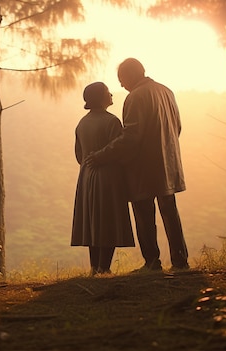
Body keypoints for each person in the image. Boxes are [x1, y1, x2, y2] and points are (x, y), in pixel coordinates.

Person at [85, 58, 189, 271]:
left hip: (144, 167)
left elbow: (131, 137)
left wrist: (101, 155)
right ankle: (180, 260)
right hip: (168, 163)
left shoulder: (136, 97)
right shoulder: (166, 91)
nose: (121, 85)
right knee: (170, 212)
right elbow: (177, 127)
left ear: (131, 75)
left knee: (144, 215)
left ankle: (152, 262)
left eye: (122, 79)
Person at [71, 81, 135, 275]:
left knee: (92, 221)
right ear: (100, 98)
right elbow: (122, 151)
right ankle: (104, 267)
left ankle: (94, 267)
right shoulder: (112, 122)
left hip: (86, 176)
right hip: (108, 177)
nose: (112, 95)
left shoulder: (82, 123)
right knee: (108, 219)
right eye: (108, 92)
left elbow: (79, 155)